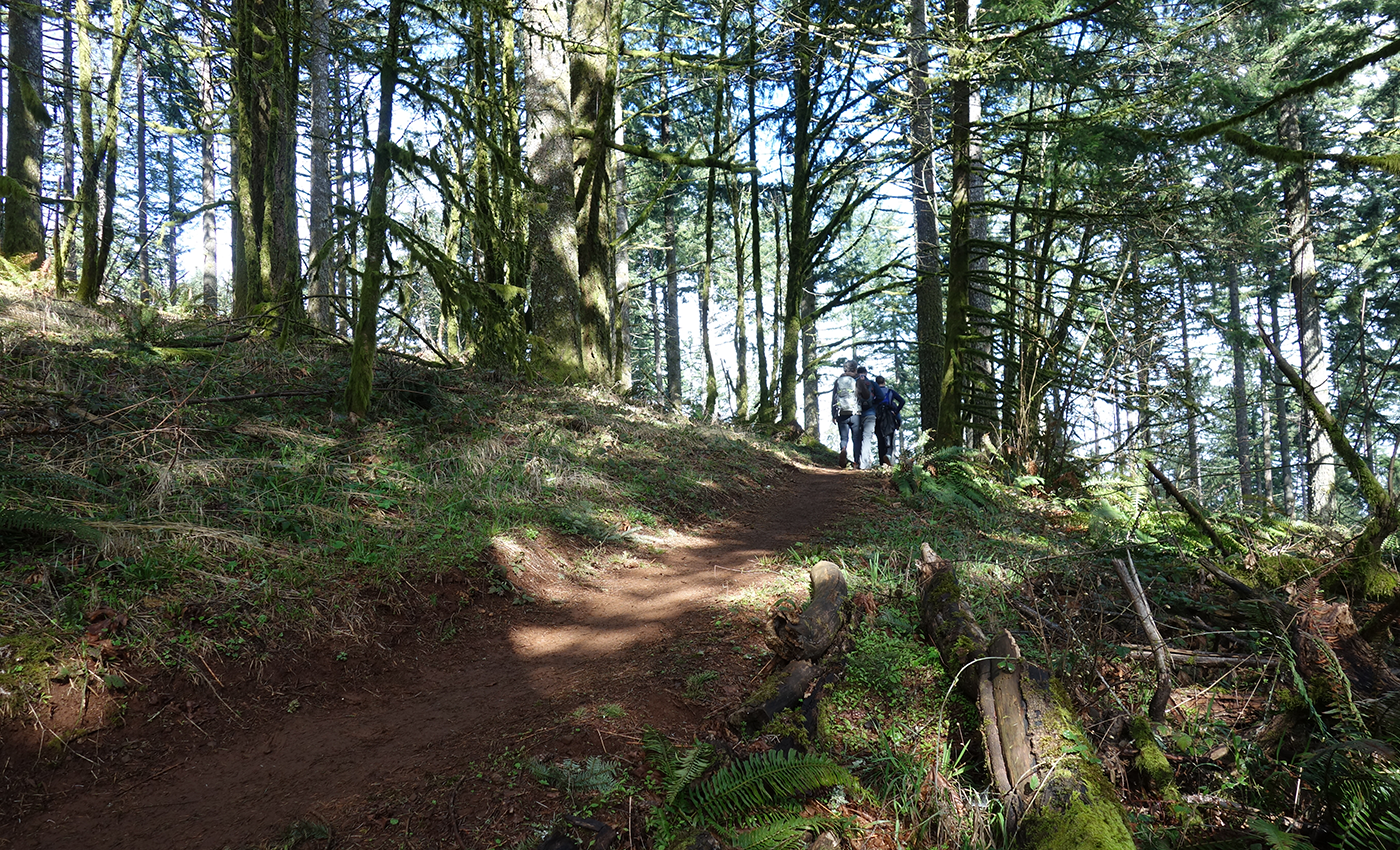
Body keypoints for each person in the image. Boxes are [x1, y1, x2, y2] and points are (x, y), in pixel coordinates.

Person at [829, 361, 860, 468]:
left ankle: (843, 449)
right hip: (855, 413)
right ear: (855, 369)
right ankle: (856, 462)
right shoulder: (857, 379)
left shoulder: (838, 381)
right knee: (856, 439)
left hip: (841, 413)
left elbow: (834, 398)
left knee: (844, 438)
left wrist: (834, 415)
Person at [874, 375, 905, 466]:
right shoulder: (890, 391)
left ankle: (881, 463)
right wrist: (896, 411)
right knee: (889, 438)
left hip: (878, 417)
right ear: (884, 382)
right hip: (889, 416)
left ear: (876, 383)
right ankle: (888, 455)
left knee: (880, 440)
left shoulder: (874, 392)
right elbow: (902, 401)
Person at [854, 367, 878, 469]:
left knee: (857, 438)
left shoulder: (854, 382)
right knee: (867, 438)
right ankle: (864, 464)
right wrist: (873, 404)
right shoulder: (871, 383)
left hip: (857, 413)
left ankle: (856, 462)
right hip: (870, 413)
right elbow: (881, 396)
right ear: (866, 373)